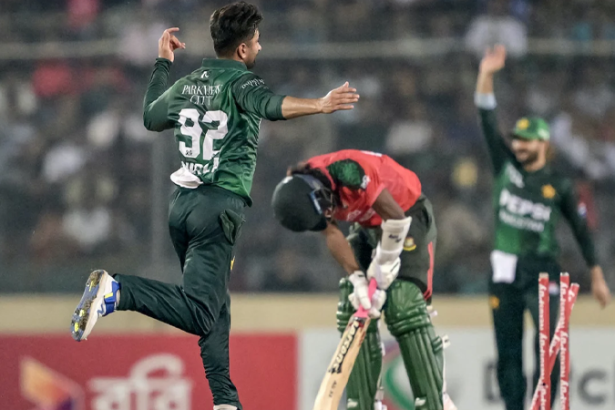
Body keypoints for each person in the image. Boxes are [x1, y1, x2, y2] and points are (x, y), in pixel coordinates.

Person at [69, 3, 359, 410]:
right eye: (256, 40)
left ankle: (224, 400)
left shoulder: (188, 83)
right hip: (218, 208)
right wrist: (320, 104)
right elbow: (273, 106)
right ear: (241, 49)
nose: (260, 46)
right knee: (202, 312)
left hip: (181, 206)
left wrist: (162, 64)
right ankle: (118, 290)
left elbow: (151, 117)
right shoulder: (242, 83)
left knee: (215, 303)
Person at [475, 45, 611, 410]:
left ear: (544, 144)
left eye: (527, 139)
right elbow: (487, 118)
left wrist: (597, 274)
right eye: (517, 139)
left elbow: (580, 229)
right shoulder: (505, 168)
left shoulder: (559, 184)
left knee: (550, 346)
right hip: (503, 270)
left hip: (542, 270)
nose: (519, 145)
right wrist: (485, 75)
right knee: (507, 349)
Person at [271, 149, 456, 410]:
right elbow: (332, 234)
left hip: (407, 212)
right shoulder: (307, 197)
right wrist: (358, 279)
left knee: (403, 302)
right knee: (353, 301)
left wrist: (383, 264)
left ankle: (434, 399)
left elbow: (396, 218)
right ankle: (364, 404)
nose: (328, 214)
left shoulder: (349, 172)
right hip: (368, 224)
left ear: (318, 191)